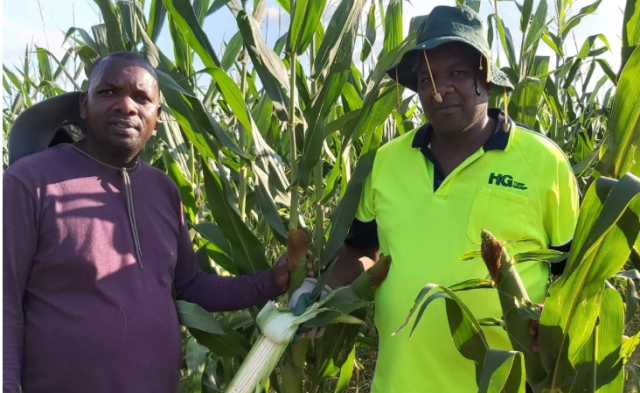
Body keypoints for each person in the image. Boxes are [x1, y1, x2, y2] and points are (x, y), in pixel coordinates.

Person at [293, 5, 579, 392]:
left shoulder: (544, 162)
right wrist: (323, 293)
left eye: (456, 73)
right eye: (425, 78)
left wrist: (554, 319)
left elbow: (573, 278)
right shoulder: (386, 161)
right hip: (399, 383)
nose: (438, 89)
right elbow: (361, 250)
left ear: (485, 77)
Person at [3, 51, 310, 393]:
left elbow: (190, 286)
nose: (126, 106)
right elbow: (5, 301)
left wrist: (271, 280)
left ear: (158, 116)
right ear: (83, 105)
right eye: (108, 92)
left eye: (141, 98)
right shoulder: (29, 182)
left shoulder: (164, 190)